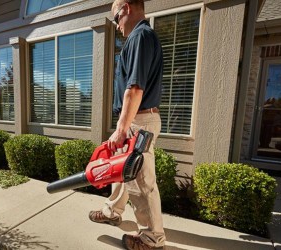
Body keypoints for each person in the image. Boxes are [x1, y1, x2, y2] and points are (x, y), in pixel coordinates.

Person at [88, 0, 165, 249]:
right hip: (135, 118)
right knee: (121, 172)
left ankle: (152, 239)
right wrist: (123, 126)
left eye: (115, 18)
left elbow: (134, 88)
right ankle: (112, 210)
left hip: (139, 119)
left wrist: (122, 129)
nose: (116, 26)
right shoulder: (139, 37)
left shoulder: (141, 36)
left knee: (141, 183)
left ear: (127, 9)